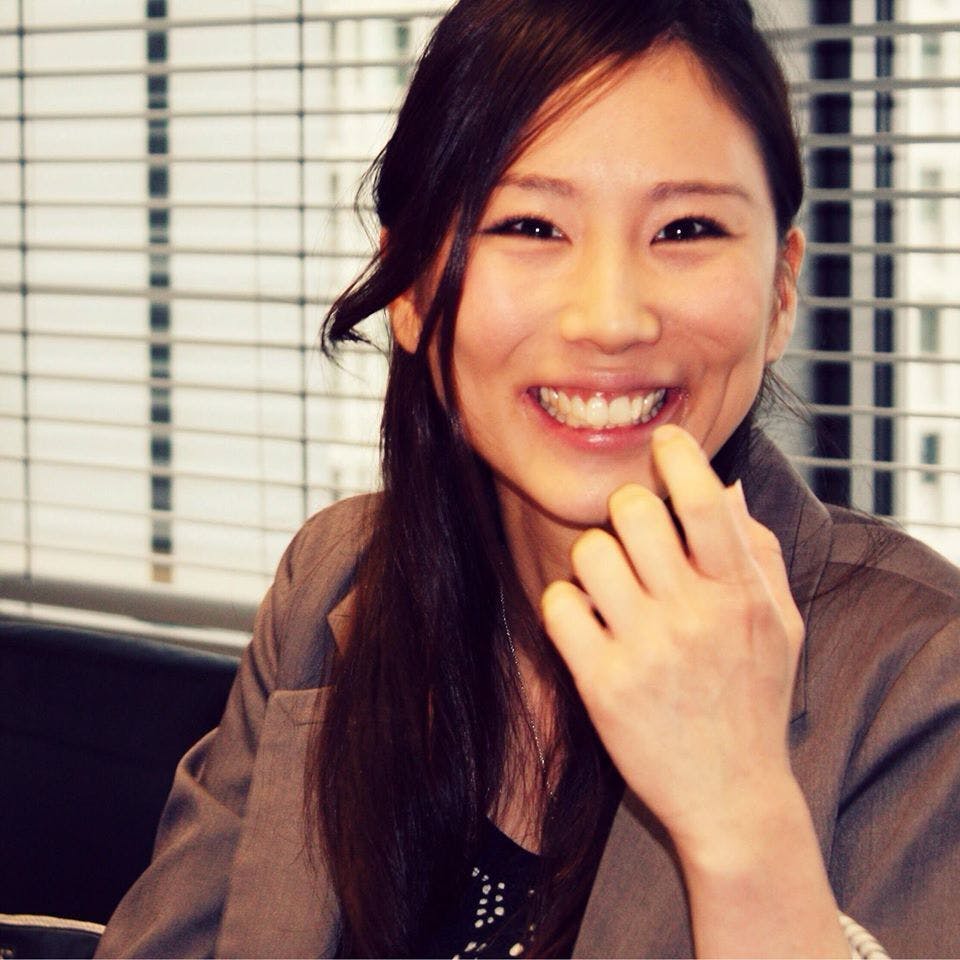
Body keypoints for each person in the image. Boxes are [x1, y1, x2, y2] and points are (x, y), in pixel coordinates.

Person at [96, 0, 960, 957]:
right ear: (410, 288)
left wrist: (739, 814)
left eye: (686, 228)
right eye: (532, 226)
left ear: (782, 290)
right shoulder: (332, 579)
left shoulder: (926, 672)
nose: (611, 319)